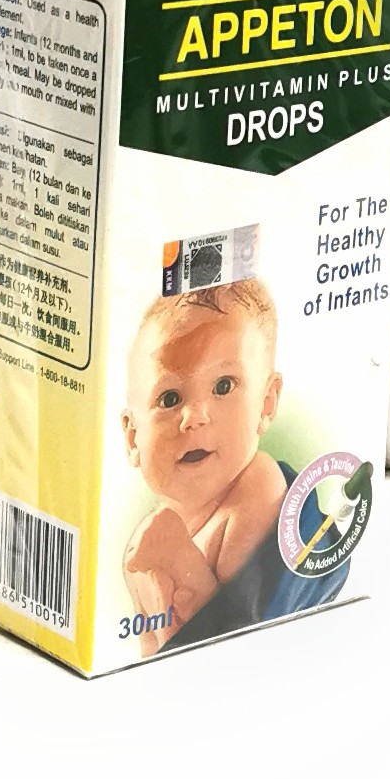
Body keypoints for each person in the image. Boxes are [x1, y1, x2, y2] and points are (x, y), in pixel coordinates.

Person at [120, 278, 290, 656]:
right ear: (133, 439)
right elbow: (150, 649)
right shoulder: (145, 544)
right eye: (170, 398)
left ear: (265, 404)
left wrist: (179, 557)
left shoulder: (259, 486)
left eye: (223, 386)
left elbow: (236, 626)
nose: (194, 417)